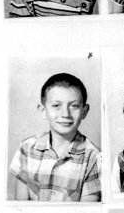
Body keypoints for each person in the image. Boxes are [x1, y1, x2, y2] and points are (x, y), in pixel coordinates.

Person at [9, 72, 101, 202]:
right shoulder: (27, 148)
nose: (65, 114)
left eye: (74, 106)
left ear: (84, 111)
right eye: (56, 105)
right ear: (43, 111)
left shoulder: (94, 157)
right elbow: (21, 207)